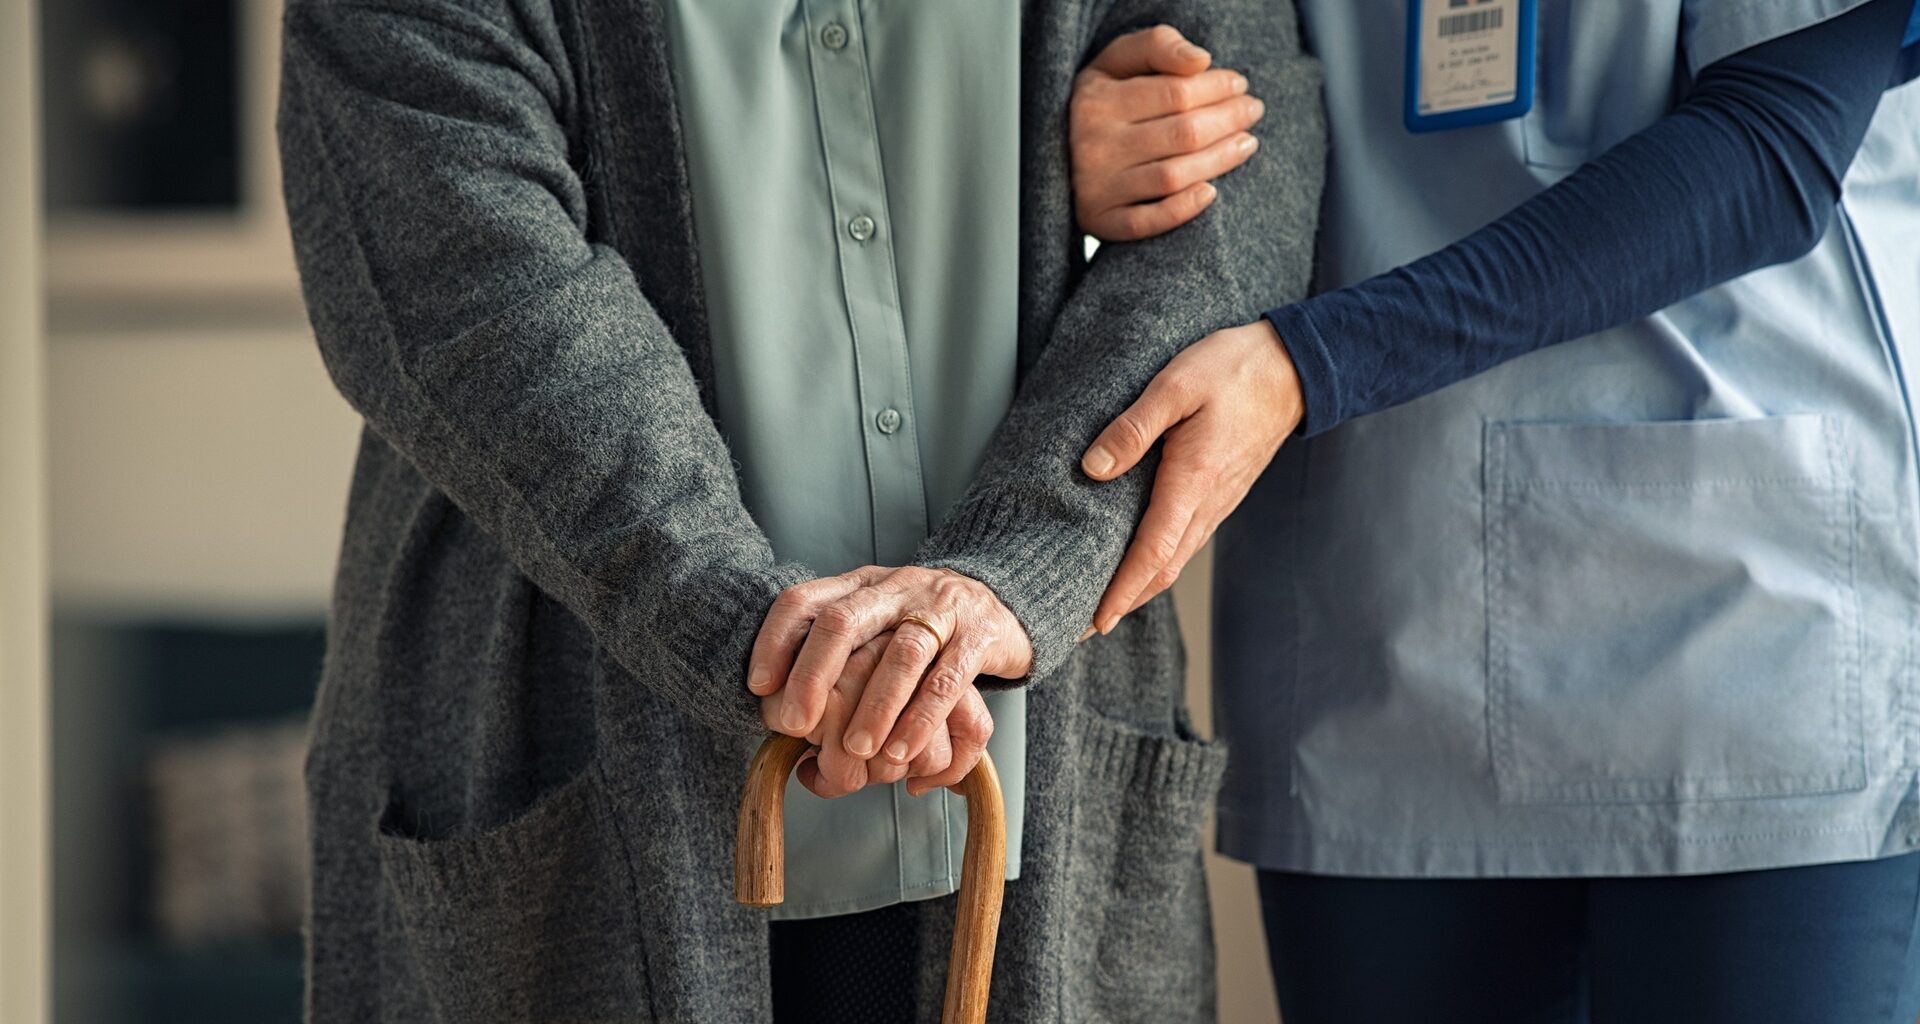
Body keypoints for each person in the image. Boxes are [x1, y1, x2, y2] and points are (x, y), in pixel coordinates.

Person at [277, 0, 1320, 1019]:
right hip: (579, 778)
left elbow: (1237, 201)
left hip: (1033, 783)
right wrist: (776, 639)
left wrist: (1012, 574)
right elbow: (475, 288)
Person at [1068, 0, 1920, 1021]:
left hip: (1739, 649)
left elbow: (1773, 147)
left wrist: (1315, 363)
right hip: (1378, 633)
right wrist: (1083, 146)